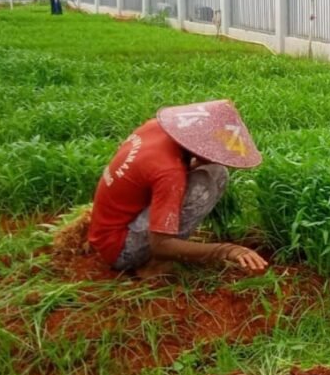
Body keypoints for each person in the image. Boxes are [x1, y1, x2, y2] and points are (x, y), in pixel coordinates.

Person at [87, 100, 268, 278]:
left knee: (217, 172)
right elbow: (160, 245)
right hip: (120, 250)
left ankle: (167, 246)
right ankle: (152, 266)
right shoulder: (169, 173)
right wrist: (227, 251)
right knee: (201, 187)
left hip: (108, 229)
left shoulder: (155, 128)